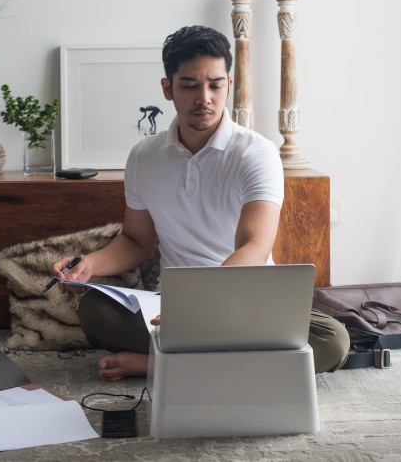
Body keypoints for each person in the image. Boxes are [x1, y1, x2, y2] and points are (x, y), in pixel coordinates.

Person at [52, 25, 349, 381]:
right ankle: (220, 363)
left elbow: (254, 246)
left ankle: (159, 364)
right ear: (168, 89)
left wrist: (200, 307)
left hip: (246, 299)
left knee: (332, 339)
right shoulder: (144, 157)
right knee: (95, 311)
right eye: (189, 85)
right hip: (173, 303)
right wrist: (89, 265)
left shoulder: (257, 153)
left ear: (229, 85)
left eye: (215, 85)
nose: (204, 97)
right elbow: (136, 240)